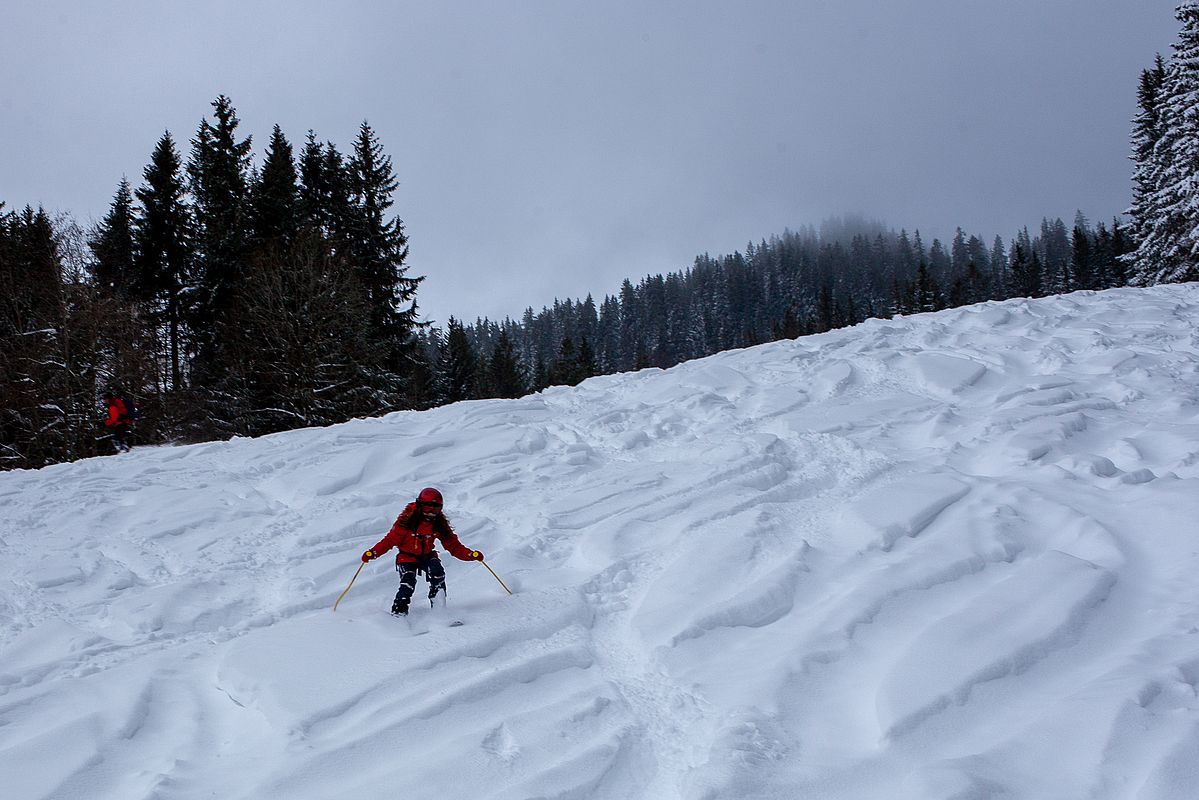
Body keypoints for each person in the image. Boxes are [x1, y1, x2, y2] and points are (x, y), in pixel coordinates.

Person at [361, 487, 484, 616]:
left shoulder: (439, 523)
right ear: (420, 505)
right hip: (406, 557)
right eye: (427, 507)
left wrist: (470, 555)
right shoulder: (406, 522)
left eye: (435, 508)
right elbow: (389, 541)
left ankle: (439, 610)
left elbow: (453, 545)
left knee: (437, 573)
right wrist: (373, 553)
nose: (431, 512)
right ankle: (399, 613)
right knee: (408, 581)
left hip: (426, 556)